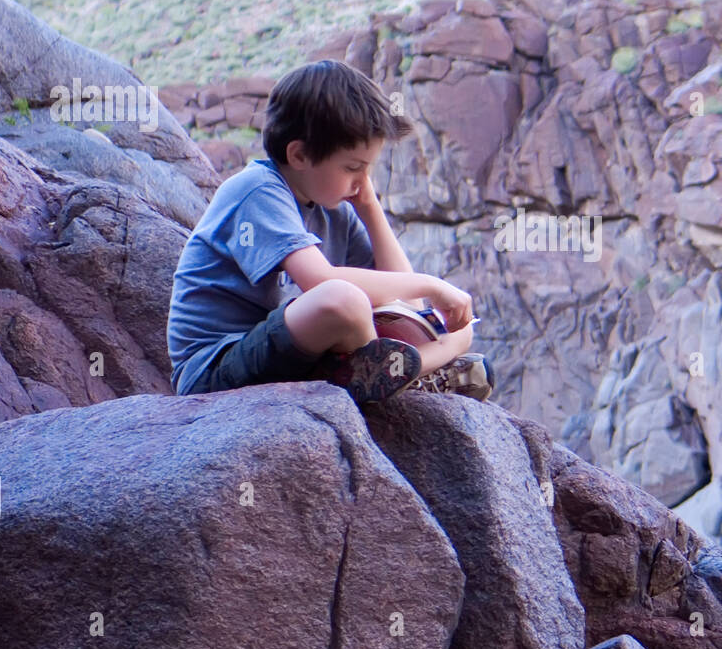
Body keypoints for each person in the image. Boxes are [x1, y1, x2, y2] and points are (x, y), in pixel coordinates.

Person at [166, 59, 494, 405]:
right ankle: (418, 373)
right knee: (342, 299)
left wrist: (371, 210)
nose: (362, 181)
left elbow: (405, 304)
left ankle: (397, 372)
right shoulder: (257, 190)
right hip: (217, 366)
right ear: (300, 154)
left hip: (296, 355)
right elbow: (321, 282)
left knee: (442, 325)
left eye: (368, 169)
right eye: (354, 167)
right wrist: (433, 287)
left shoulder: (337, 207)